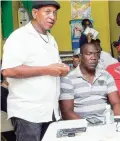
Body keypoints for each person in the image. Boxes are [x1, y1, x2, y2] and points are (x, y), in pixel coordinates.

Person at [1, 1, 70, 141]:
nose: (52, 17)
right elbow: (8, 71)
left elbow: (52, 66)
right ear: (34, 13)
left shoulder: (51, 39)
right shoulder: (19, 37)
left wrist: (62, 69)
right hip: (28, 113)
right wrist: (47, 69)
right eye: (47, 12)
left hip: (51, 112)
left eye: (55, 13)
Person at [59, 42, 120, 120]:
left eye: (96, 54)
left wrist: (115, 122)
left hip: (105, 123)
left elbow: (116, 103)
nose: (94, 57)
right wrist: (88, 126)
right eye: (89, 54)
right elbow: (67, 112)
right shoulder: (68, 78)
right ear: (80, 57)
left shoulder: (106, 75)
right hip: (81, 126)